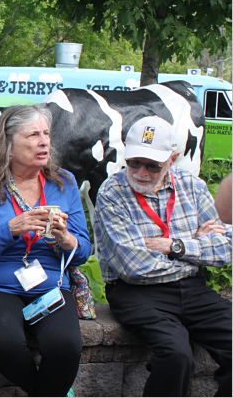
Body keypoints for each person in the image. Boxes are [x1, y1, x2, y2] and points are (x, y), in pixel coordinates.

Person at [0, 104, 91, 397]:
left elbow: (83, 251)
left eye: (46, 134)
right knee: (3, 342)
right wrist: (9, 230)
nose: (43, 142)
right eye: (32, 135)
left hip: (48, 283)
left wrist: (66, 240)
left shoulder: (64, 182)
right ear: (8, 144)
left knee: (66, 346)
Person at [94, 115, 232, 397]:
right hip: (136, 293)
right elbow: (134, 267)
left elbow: (227, 249)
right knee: (176, 355)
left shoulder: (192, 186)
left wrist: (176, 246)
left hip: (193, 291)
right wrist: (196, 249)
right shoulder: (112, 192)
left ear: (173, 158)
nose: (141, 172)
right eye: (134, 162)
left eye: (152, 165)